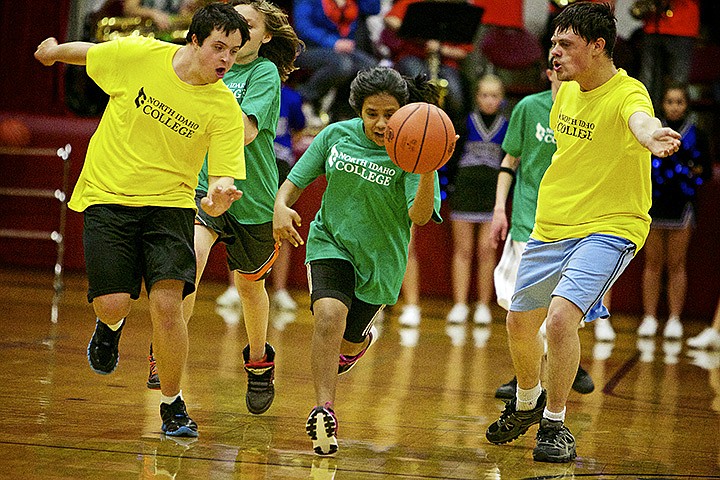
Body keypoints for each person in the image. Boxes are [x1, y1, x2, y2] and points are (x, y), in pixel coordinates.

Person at [34, 3, 250, 437]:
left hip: (170, 207)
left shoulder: (224, 106)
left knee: (168, 307)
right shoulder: (141, 55)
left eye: (234, 51)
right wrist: (55, 50)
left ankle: (172, 405)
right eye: (218, 47)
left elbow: (224, 168)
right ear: (194, 40)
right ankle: (110, 325)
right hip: (108, 196)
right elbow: (92, 51)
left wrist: (221, 190)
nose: (226, 59)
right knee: (113, 301)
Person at [484, 2, 681, 463]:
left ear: (597, 47)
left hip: (610, 227)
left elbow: (640, 119)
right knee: (518, 321)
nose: (554, 52)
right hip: (552, 224)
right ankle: (528, 402)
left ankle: (555, 424)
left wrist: (650, 137)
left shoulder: (630, 93)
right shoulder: (564, 90)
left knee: (559, 319)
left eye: (565, 44)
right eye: (552, 42)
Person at [273, 67, 443, 456]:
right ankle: (323, 411)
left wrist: (428, 167)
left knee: (347, 337)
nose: (381, 123)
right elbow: (295, 181)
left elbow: (419, 217)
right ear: (358, 111)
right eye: (372, 113)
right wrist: (281, 207)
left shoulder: (412, 149)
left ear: (403, 111)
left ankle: (355, 345)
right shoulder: (335, 136)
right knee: (328, 316)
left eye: (389, 114)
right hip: (330, 242)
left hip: (381, 264)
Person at [148, 0, 303, 417]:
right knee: (189, 266)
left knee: (250, 287)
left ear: (265, 36)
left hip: (250, 199)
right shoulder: (203, 66)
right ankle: (166, 345)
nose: (239, 31)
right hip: (204, 188)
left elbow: (247, 134)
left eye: (249, 25)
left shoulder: (263, 74)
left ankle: (258, 360)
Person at [490, 53, 596, 401]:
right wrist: (498, 210)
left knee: (561, 311)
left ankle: (557, 370)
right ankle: (528, 379)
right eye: (557, 72)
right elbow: (510, 160)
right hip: (526, 222)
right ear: (549, 73)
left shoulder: (587, 110)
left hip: (571, 224)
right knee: (519, 309)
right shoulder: (528, 109)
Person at [215, 82, 307, 311]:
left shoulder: (291, 97)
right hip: (248, 165)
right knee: (236, 223)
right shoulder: (242, 92)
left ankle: (280, 290)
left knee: (281, 226)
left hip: (280, 165)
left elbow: (299, 130)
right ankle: (233, 288)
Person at [638, 83, 711, 339]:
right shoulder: (650, 131)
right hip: (654, 204)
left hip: (682, 206)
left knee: (677, 264)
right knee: (653, 264)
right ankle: (649, 317)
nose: (674, 106)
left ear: (686, 105)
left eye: (679, 102)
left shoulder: (696, 135)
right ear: (663, 104)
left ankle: (674, 319)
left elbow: (706, 172)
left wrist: (688, 173)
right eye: (670, 101)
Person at [446, 74, 507, 325]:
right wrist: (448, 188)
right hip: (464, 193)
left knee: (486, 252)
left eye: (494, 96)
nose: (489, 100)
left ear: (501, 99)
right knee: (463, 250)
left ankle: (483, 305)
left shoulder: (507, 125)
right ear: (476, 97)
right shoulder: (464, 123)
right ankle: (460, 304)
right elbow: (451, 158)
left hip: (491, 197)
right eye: (484, 95)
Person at [292, 0, 380, 125]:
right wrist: (332, 42)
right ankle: (305, 99)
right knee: (342, 65)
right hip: (310, 48)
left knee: (371, 68)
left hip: (345, 49)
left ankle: (342, 112)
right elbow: (303, 27)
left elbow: (373, 9)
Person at [637, 0, 700, 108]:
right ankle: (647, 119)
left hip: (682, 23)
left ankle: (677, 124)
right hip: (653, 24)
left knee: (678, 84)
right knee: (648, 81)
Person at [123, 0, 200, 31]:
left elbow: (184, 13)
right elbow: (129, 9)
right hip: (146, 35)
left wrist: (187, 10)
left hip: (174, 36)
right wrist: (152, 14)